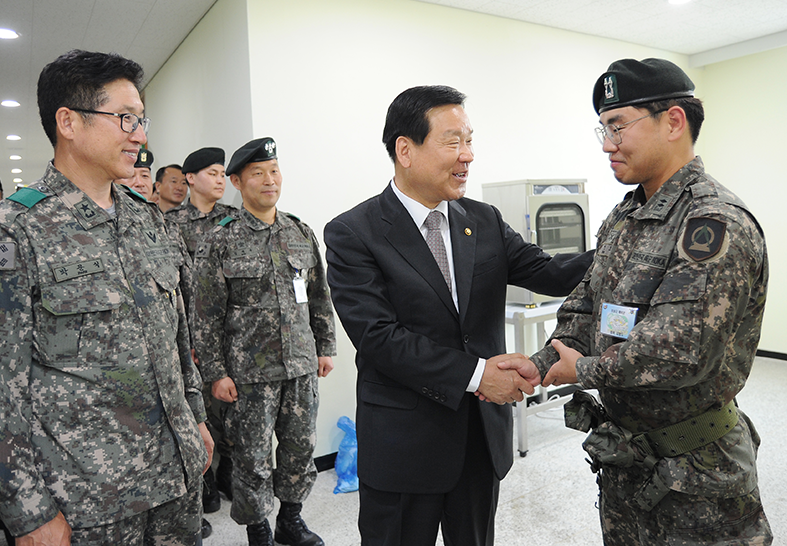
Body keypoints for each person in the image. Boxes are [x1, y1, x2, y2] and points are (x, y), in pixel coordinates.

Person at [505, 58, 772, 544]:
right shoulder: (625, 216)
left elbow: (677, 353)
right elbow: (583, 306)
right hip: (627, 464)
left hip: (699, 477)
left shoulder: (712, 223)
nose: (608, 144)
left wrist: (579, 372)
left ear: (673, 121)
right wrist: (541, 362)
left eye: (618, 126)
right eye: (602, 128)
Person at [323, 85, 593, 546]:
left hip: (478, 437)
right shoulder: (354, 232)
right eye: (453, 142)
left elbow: (548, 272)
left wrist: (628, 247)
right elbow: (379, 338)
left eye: (470, 140)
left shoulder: (482, 219)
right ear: (405, 150)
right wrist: (477, 375)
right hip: (405, 443)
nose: (467, 155)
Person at [0, 49, 213, 546]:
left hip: (176, 480)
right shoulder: (17, 229)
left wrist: (196, 416)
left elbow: (176, 334)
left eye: (141, 119)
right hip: (87, 501)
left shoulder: (146, 217)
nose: (140, 134)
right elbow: (2, 387)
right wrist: (26, 511)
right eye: (125, 118)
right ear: (68, 122)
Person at [190, 137, 337, 546]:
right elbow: (204, 316)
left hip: (301, 366)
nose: (269, 180)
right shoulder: (221, 238)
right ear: (237, 181)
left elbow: (320, 296)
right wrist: (215, 374)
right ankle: (259, 532)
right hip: (249, 375)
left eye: (274, 171)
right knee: (251, 460)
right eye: (258, 173)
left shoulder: (299, 231)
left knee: (298, 450)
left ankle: (291, 520)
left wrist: (324, 346)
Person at [167, 147, 240, 515]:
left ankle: (226, 472)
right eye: (213, 173)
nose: (220, 180)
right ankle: (206, 482)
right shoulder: (171, 223)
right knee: (201, 411)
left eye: (223, 173)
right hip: (192, 336)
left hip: (234, 334)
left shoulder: (234, 219)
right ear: (191, 178)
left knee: (232, 409)